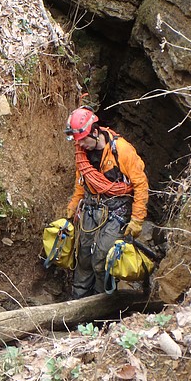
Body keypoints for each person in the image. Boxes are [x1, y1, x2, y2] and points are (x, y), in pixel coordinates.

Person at [64, 106, 149, 299]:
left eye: (83, 139)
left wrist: (136, 219)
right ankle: (77, 303)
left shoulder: (122, 151)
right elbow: (81, 181)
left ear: (95, 132)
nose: (80, 145)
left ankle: (99, 307)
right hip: (90, 207)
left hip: (116, 210)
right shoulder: (82, 154)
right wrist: (73, 205)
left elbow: (141, 185)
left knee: (101, 258)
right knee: (83, 257)